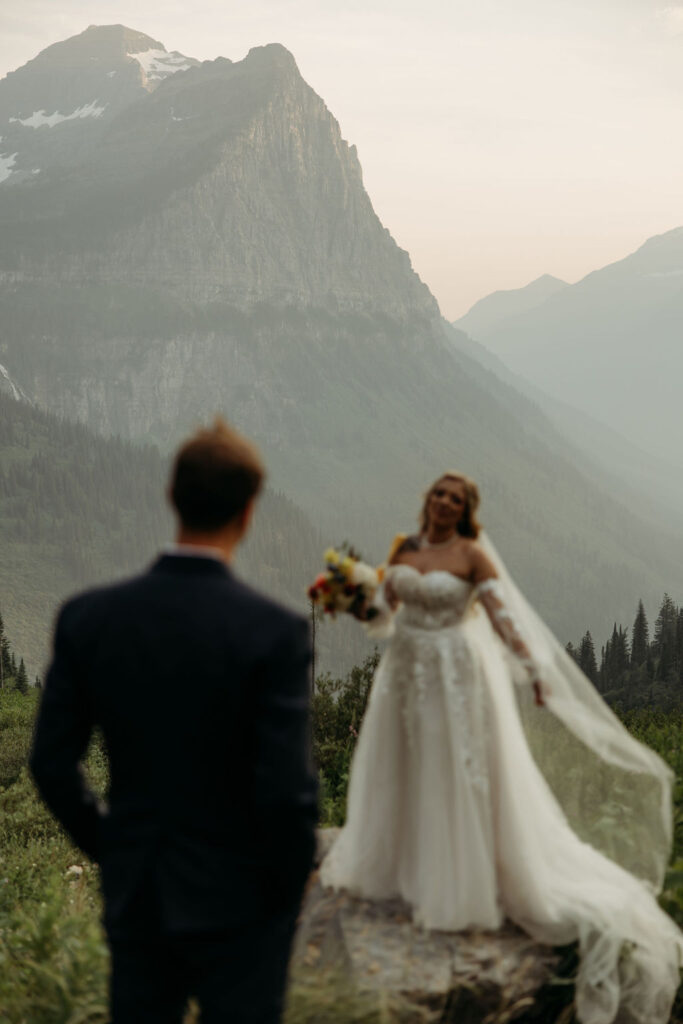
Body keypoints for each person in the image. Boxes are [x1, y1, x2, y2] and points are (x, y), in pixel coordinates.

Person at [321, 471, 683, 1024]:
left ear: (465, 509)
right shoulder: (405, 549)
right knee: (405, 766)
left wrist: (534, 668)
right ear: (428, 500)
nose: (444, 502)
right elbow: (385, 612)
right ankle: (402, 863)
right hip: (404, 673)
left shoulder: (473, 556)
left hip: (455, 675)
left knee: (452, 769)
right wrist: (347, 598)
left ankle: (456, 880)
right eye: (439, 494)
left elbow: (503, 617)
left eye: (455, 498)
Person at [30, 417, 317, 1024]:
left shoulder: (89, 619)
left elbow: (52, 762)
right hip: (243, 895)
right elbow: (288, 791)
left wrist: (113, 844)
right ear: (247, 513)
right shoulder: (274, 633)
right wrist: (285, 892)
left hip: (139, 888)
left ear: (172, 498)